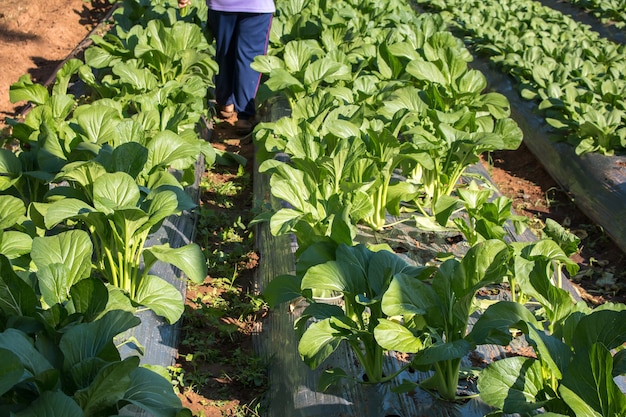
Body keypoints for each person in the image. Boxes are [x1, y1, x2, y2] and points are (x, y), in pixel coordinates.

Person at [178, 0, 275, 135]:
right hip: (256, 6)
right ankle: (244, 117)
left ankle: (226, 104)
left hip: (222, 4)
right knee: (250, 58)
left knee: (224, 51)